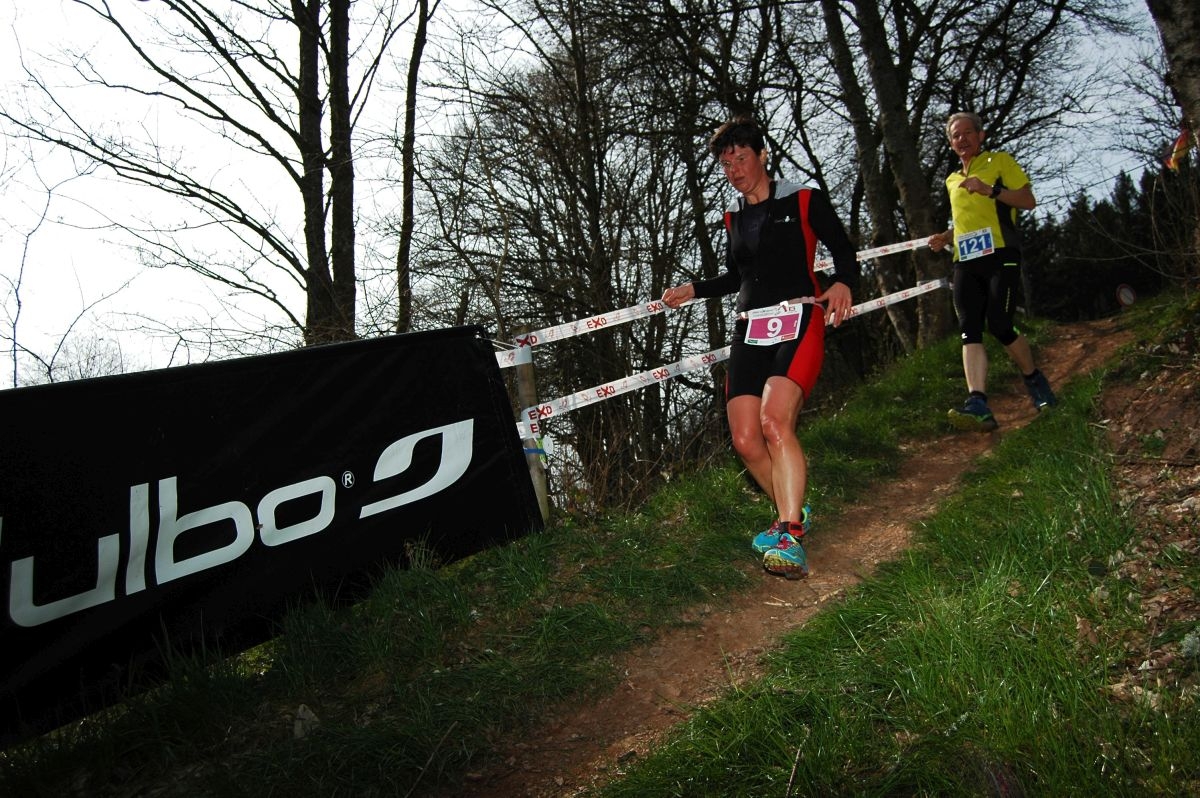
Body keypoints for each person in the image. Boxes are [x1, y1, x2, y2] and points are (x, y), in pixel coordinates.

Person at [662, 117, 858, 579]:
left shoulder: (803, 199)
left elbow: (843, 248)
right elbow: (738, 276)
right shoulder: (733, 216)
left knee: (774, 421)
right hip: (750, 329)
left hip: (799, 318)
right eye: (726, 163)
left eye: (742, 158)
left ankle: (790, 534)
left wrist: (844, 281)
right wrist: (695, 288)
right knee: (746, 440)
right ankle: (792, 513)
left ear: (762, 155)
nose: (735, 169)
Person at [928, 111, 1056, 432]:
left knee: (1000, 323)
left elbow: (1028, 200)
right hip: (966, 260)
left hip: (1001, 254)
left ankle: (1034, 379)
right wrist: (946, 236)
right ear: (951, 143)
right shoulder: (952, 180)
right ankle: (978, 403)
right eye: (956, 135)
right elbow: (967, 221)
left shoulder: (999, 162)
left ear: (980, 135)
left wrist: (992, 191)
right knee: (969, 328)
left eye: (968, 133)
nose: (962, 139)